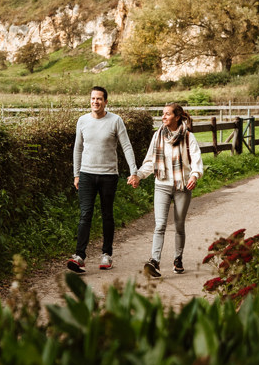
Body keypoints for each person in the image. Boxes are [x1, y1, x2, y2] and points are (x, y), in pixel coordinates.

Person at [67, 85, 138, 273]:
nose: (95, 102)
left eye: (99, 99)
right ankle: (79, 256)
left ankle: (106, 255)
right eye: (92, 98)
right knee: (85, 215)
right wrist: (76, 174)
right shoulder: (82, 121)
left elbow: (127, 146)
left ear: (106, 101)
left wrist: (134, 171)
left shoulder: (115, 121)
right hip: (86, 175)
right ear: (89, 100)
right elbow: (78, 149)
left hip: (108, 175)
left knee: (107, 214)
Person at [127, 102, 203, 277]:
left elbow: (196, 161)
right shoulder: (158, 136)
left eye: (167, 114)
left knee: (179, 225)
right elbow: (150, 161)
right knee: (160, 224)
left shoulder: (188, 137)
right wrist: (138, 175)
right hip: (161, 184)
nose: (163, 117)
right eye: (163, 114)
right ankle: (154, 261)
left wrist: (194, 175)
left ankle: (178, 258)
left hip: (182, 186)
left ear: (177, 117)